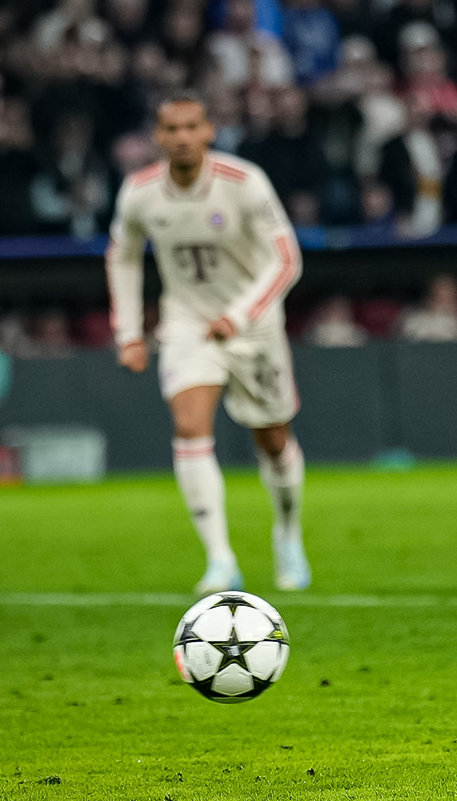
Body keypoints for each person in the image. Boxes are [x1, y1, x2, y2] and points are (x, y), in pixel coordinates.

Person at [106, 92, 310, 596]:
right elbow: (123, 256)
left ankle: (287, 532)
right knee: (190, 425)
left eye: (190, 127)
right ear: (158, 137)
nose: (180, 138)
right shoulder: (140, 192)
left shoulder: (244, 182)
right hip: (188, 324)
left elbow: (286, 259)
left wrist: (239, 315)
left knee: (273, 438)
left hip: (254, 326)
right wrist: (129, 333)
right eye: (170, 129)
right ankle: (220, 560)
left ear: (208, 132)